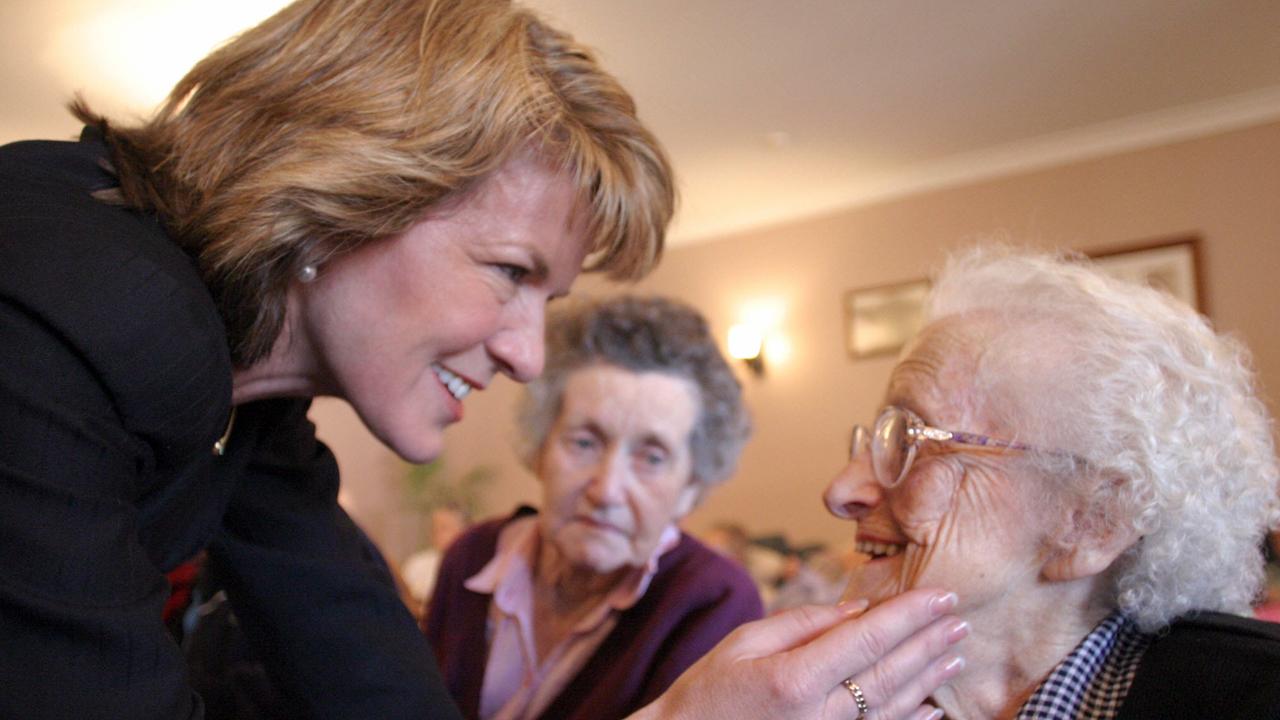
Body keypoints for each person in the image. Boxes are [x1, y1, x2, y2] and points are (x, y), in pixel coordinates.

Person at [0, 1, 965, 718]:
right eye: (509, 270)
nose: (527, 355)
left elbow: (372, 677)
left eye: (549, 301)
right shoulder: (74, 307)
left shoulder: (251, 407)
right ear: (336, 194)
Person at [823, 247, 1280, 718]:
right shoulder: (815, 699)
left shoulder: (1257, 700)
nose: (839, 491)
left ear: (1092, 522)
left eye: (911, 441)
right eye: (881, 439)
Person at [425, 296, 763, 719]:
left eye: (652, 458)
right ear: (540, 447)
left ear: (690, 488)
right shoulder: (471, 557)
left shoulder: (714, 602)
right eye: (584, 442)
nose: (606, 491)